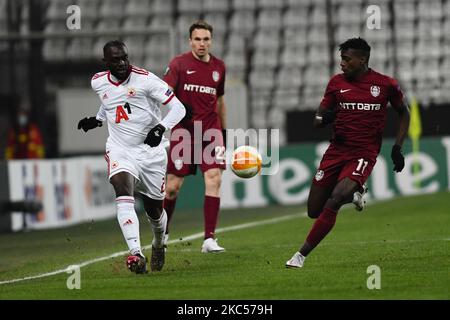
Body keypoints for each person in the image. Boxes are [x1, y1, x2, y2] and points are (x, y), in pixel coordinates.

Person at [286, 38, 410, 268]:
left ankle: (300, 255)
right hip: (336, 151)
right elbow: (317, 119)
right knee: (314, 210)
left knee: (334, 200)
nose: (341, 63)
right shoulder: (336, 83)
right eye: (341, 58)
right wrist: (327, 118)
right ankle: (354, 194)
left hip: (364, 153)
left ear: (362, 59)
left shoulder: (385, 85)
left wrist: (397, 148)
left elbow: (404, 113)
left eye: (346, 59)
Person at [77, 40, 186, 273]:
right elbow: (110, 102)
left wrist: (160, 128)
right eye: (116, 59)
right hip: (120, 149)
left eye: (125, 57)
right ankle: (136, 253)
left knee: (155, 212)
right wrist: (98, 119)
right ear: (106, 62)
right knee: (122, 189)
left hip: (151, 153)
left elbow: (179, 108)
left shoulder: (146, 80)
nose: (122, 63)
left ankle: (158, 242)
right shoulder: (98, 82)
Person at [162, 20, 227, 253]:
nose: (202, 43)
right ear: (190, 41)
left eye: (206, 39)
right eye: (197, 39)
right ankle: (163, 234)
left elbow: (219, 102)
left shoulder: (219, 67)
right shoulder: (178, 64)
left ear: (211, 41)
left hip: (210, 131)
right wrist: (178, 109)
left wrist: (224, 133)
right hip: (183, 132)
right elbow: (164, 94)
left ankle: (209, 239)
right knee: (172, 187)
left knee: (214, 178)